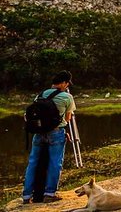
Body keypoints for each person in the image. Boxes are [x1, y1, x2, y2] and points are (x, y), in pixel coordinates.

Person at [22, 70, 76, 204]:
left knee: (33, 163)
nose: (68, 85)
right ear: (64, 83)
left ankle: (26, 195)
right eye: (67, 83)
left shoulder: (40, 95)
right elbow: (68, 118)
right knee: (55, 163)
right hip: (56, 133)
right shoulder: (67, 97)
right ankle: (49, 193)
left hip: (38, 133)